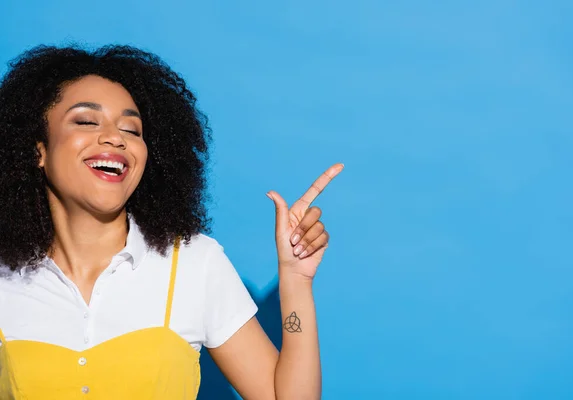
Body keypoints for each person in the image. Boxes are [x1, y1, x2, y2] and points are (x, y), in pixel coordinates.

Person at [0, 45, 343, 399]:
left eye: (131, 129)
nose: (115, 137)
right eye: (86, 121)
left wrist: (296, 280)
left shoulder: (195, 263)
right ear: (36, 149)